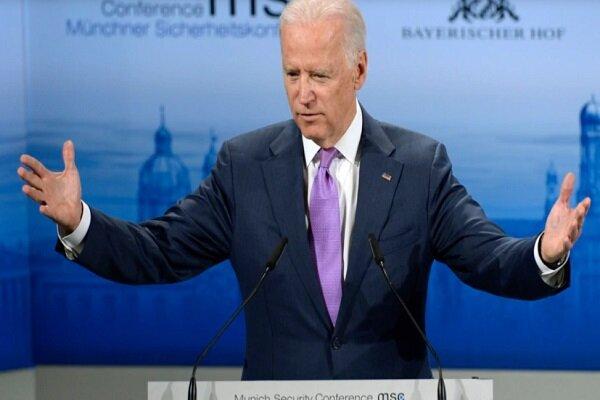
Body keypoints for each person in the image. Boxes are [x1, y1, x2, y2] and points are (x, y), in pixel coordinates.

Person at [17, 0, 590, 380]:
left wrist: (543, 252)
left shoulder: (419, 166)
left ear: (359, 71)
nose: (303, 94)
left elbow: (487, 258)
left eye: (319, 75)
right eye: (292, 74)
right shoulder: (243, 166)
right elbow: (160, 252)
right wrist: (79, 221)